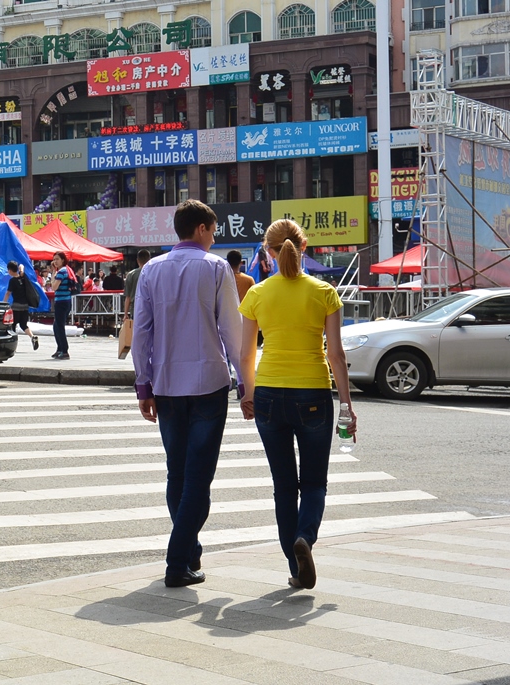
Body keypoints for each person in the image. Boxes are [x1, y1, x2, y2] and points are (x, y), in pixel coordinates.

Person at [238, 219, 356, 590]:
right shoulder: (324, 292)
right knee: (315, 481)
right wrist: (347, 405)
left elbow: (246, 355)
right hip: (313, 394)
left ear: (268, 252)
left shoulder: (257, 294)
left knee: (284, 486)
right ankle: (305, 536)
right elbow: (336, 355)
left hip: (270, 392)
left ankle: (295, 564)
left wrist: (248, 393)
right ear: (304, 247)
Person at [132, 199, 242, 588]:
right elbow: (232, 328)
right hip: (209, 382)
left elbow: (141, 331)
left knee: (177, 472)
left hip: (165, 385)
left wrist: (143, 383)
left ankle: (188, 551)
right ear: (200, 229)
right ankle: (178, 561)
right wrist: (244, 381)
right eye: (212, 231)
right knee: (198, 478)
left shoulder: (151, 270)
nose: (214, 238)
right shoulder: (215, 268)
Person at [3, 260, 40, 351]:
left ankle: (13, 345)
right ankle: (32, 336)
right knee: (23, 325)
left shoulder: (12, 281)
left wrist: (4, 303)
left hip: (16, 306)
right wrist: (22, 270)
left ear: (10, 270)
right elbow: (22, 265)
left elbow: (8, 293)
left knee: (13, 325)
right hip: (25, 306)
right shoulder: (23, 278)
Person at [50, 251, 73, 360]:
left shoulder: (62, 271)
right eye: (54, 259)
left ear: (63, 260)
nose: (55, 261)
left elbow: (54, 287)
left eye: (57, 259)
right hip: (65, 301)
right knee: (56, 326)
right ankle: (60, 348)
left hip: (62, 302)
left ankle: (64, 350)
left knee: (59, 326)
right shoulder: (65, 270)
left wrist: (54, 274)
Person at [123, 249, 151, 321]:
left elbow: (128, 297)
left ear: (137, 260)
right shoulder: (154, 272)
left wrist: (125, 314)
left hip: (136, 309)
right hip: (151, 309)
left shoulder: (131, 275)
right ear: (149, 259)